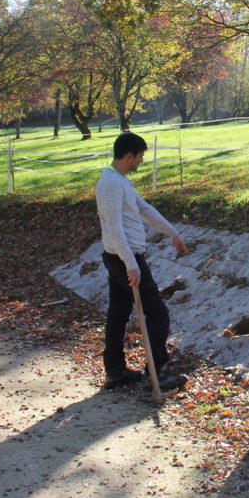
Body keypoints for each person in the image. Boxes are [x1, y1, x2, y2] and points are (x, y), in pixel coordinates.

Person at [96, 131, 190, 390]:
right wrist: (131, 264)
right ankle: (157, 372)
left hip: (121, 258)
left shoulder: (119, 181)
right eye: (139, 157)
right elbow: (114, 228)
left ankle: (115, 372)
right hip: (124, 258)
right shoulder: (111, 184)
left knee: (118, 314)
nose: (141, 161)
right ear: (128, 156)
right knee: (158, 314)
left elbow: (145, 209)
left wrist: (173, 233)